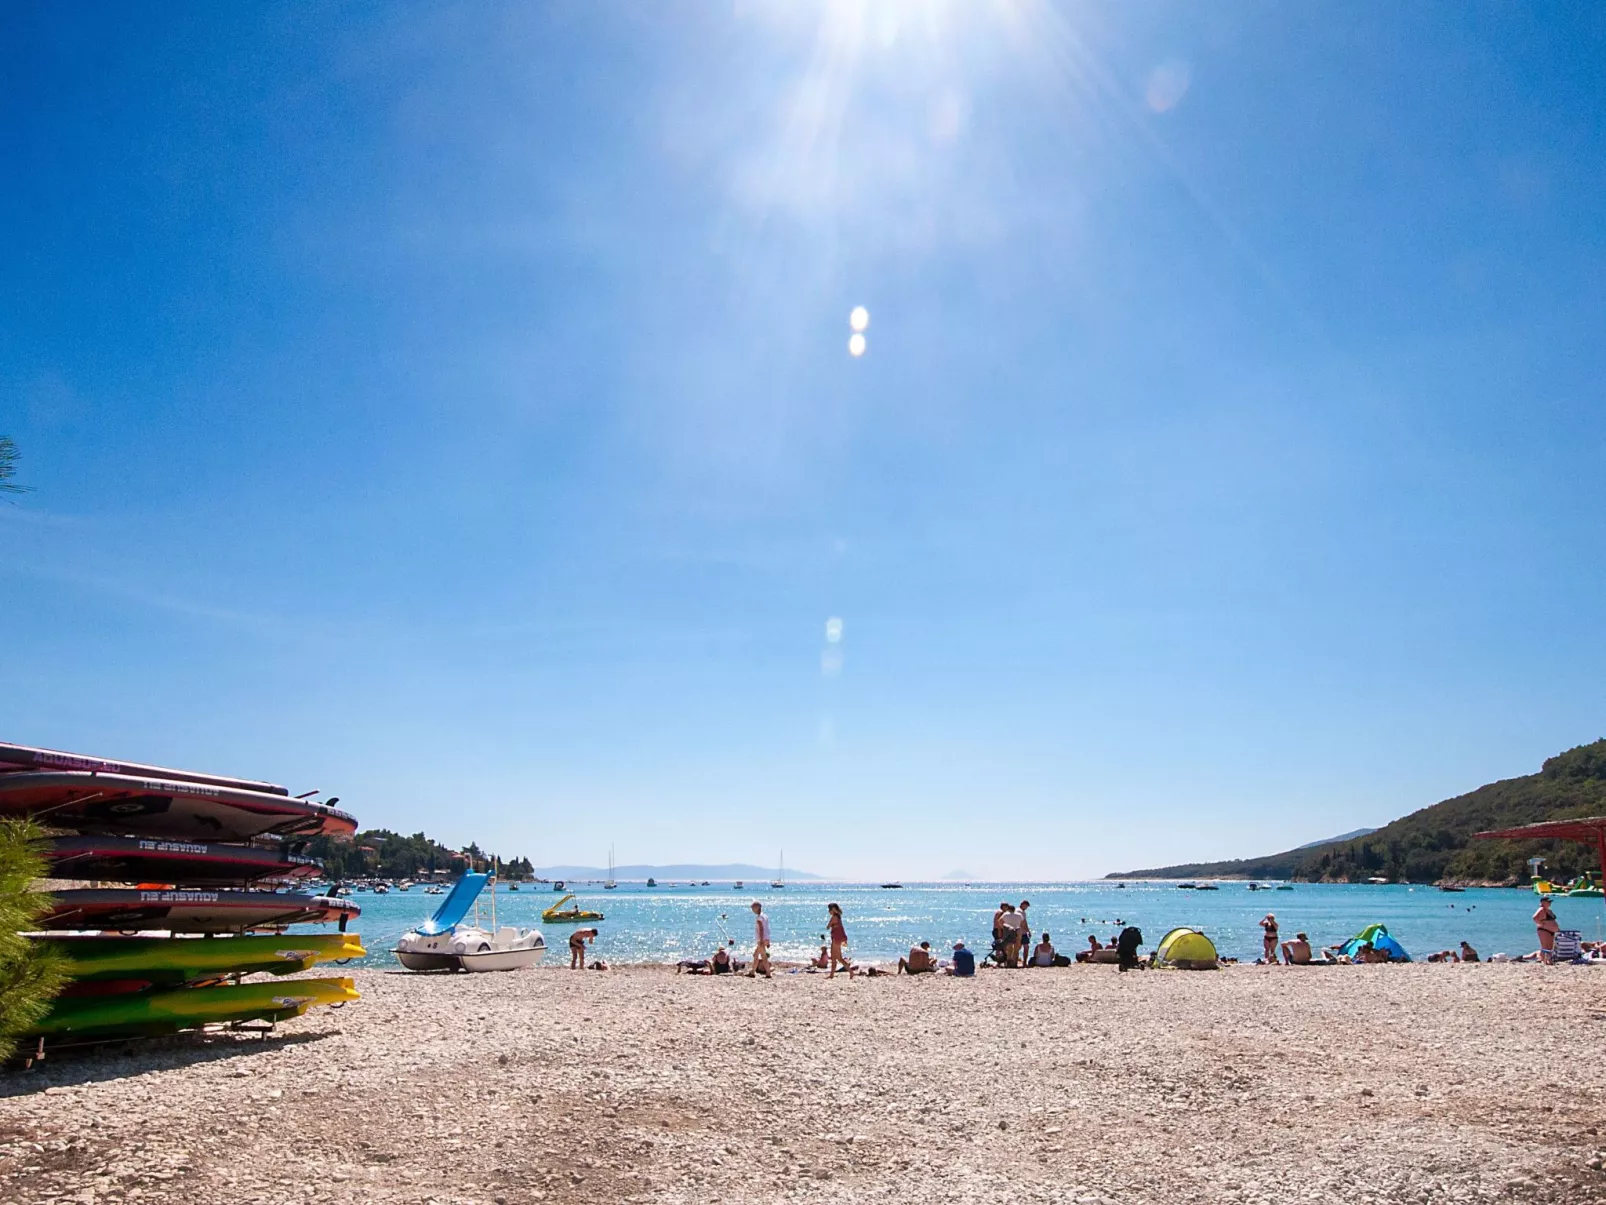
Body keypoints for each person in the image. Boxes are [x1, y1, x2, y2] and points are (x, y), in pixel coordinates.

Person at [747, 901, 772, 978]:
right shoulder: (765, 916)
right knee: (758, 955)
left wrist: (761, 940)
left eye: (753, 908)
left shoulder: (759, 917)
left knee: (760, 956)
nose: (752, 910)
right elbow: (767, 929)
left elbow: (761, 929)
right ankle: (754, 971)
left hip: (762, 939)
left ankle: (764, 972)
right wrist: (768, 941)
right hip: (766, 938)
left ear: (756, 908)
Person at [827, 902, 851, 978]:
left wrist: (831, 926)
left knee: (837, 957)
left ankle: (850, 972)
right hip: (838, 938)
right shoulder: (838, 916)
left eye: (830, 909)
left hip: (836, 939)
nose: (829, 911)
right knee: (835, 957)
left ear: (833, 910)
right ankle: (832, 974)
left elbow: (828, 926)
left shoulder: (834, 917)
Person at [1534, 896, 1559, 965]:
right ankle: (1543, 960)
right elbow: (1535, 918)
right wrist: (1542, 924)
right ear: (1543, 902)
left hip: (1551, 931)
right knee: (1545, 946)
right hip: (1544, 930)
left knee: (1551, 946)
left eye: (1550, 902)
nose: (1549, 903)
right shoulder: (1541, 909)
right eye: (1548, 902)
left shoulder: (1549, 910)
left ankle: (1548, 960)